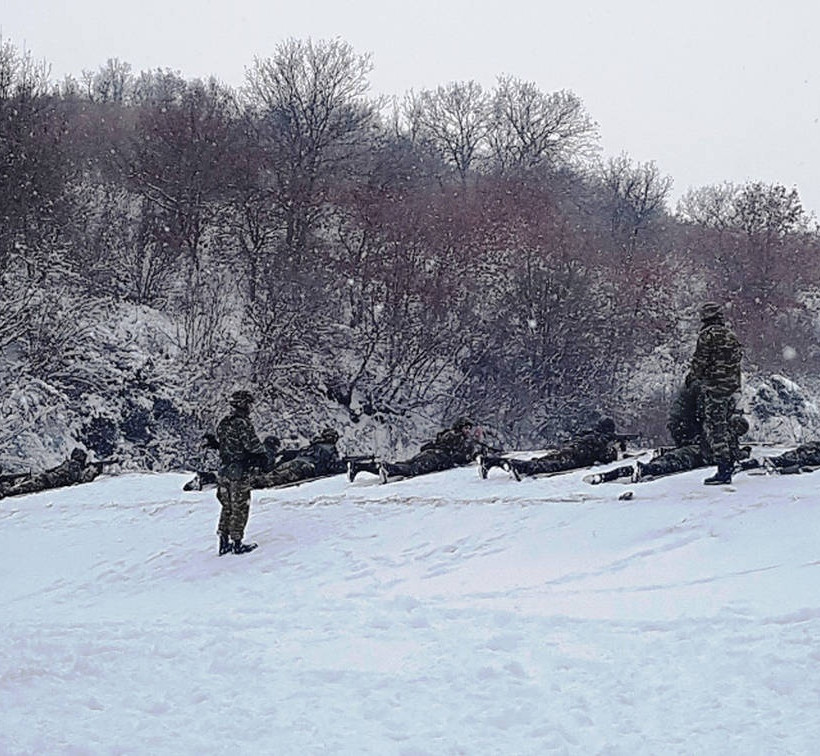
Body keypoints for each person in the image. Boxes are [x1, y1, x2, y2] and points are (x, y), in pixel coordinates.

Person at [687, 301, 743, 485]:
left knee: (715, 427)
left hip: (715, 388)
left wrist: (693, 377)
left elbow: (700, 361)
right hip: (732, 387)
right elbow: (737, 361)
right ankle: (732, 457)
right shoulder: (731, 335)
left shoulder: (707, 336)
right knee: (728, 424)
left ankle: (724, 469)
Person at [480, 418, 622, 481]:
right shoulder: (599, 439)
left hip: (566, 451)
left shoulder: (588, 434)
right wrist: (615, 449)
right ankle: (514, 466)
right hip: (573, 458)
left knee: (541, 462)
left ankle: (491, 461)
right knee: (542, 467)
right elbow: (606, 457)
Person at [215, 390, 266, 556]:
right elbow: (252, 445)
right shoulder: (242, 423)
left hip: (223, 471)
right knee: (240, 507)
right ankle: (237, 543)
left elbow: (224, 445)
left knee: (226, 507)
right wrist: (262, 456)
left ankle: (223, 542)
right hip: (239, 472)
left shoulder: (224, 422)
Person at [373, 417, 490, 484]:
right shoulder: (456, 436)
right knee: (413, 469)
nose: (468, 431)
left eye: (469, 428)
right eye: (466, 428)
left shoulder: (450, 434)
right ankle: (388, 469)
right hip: (436, 457)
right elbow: (463, 456)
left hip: (432, 454)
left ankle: (384, 467)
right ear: (459, 427)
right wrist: (475, 441)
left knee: (409, 464)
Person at [250, 427, 346, 488]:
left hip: (296, 461)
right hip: (307, 467)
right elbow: (333, 466)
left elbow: (297, 452)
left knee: (276, 472)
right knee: (283, 477)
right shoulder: (330, 449)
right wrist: (344, 466)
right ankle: (260, 483)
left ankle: (255, 480)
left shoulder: (313, 445)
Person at [0, 447, 101, 498]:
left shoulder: (69, 464)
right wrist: (94, 471)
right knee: (23, 488)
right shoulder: (74, 465)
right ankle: (5, 490)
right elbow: (80, 479)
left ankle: (6, 486)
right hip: (48, 481)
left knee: (24, 484)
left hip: (47, 478)